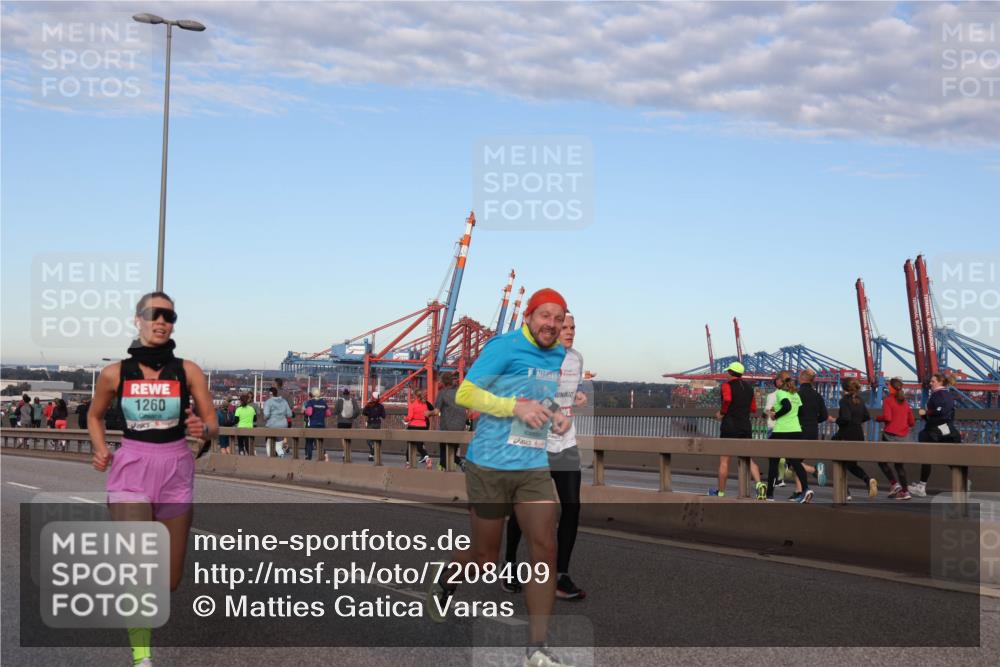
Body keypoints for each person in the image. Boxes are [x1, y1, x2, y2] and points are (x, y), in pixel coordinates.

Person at [427, 288, 573, 667]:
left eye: (559, 318)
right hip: (489, 464)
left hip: (532, 466)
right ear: (528, 316)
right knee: (484, 557)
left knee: (545, 549)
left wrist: (555, 413)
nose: (552, 325)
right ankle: (446, 582)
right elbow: (465, 393)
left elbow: (540, 395)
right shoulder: (503, 347)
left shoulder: (558, 354)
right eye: (545, 316)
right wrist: (514, 407)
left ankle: (536, 649)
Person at [87, 291, 217, 667]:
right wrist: (99, 448)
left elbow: (213, 425)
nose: (162, 322)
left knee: (168, 582)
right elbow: (95, 416)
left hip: (176, 470)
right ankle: (142, 656)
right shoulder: (116, 373)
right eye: (153, 314)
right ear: (138, 319)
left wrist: (202, 427)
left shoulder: (188, 371)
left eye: (169, 316)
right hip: (132, 469)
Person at [504, 311, 588, 601]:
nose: (570, 331)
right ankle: (510, 565)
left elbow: (567, 391)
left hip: (565, 442)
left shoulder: (576, 358)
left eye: (573, 326)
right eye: (564, 326)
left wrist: (576, 395)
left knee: (572, 507)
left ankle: (560, 575)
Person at [710, 361, 762, 499]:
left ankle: (720, 492)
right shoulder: (749, 388)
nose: (726, 374)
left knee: (724, 461)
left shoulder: (726, 386)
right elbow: (753, 409)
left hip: (730, 426)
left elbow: (727, 400)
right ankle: (759, 485)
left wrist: (721, 413)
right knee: (748, 459)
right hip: (745, 426)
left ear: (730, 372)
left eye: (727, 371)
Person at [765, 371, 813, 503]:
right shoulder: (796, 394)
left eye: (777, 380)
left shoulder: (781, 393)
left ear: (780, 381)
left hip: (781, 431)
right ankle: (806, 488)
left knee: (773, 463)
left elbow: (787, 406)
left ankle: (770, 495)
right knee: (796, 462)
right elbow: (801, 412)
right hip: (796, 431)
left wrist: (776, 415)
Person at [911, 373, 961, 497]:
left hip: (934, 430)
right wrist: (925, 415)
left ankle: (922, 487)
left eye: (933, 381)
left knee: (926, 456)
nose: (930, 383)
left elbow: (940, 411)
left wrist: (925, 412)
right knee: (948, 457)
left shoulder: (939, 394)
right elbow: (946, 413)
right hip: (945, 429)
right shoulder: (948, 395)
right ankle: (963, 480)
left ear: (939, 382)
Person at [833, 378, 878, 499]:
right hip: (858, 434)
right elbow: (867, 416)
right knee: (851, 464)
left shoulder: (844, 401)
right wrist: (856, 422)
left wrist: (835, 420)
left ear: (844, 388)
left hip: (846, 434)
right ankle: (868, 480)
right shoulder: (860, 400)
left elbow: (846, 418)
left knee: (838, 460)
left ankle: (845, 491)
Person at [876, 377, 914, 500]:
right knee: (899, 465)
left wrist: (878, 418)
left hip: (890, 436)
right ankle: (905, 492)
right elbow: (912, 422)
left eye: (888, 385)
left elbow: (887, 417)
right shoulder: (905, 402)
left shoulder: (888, 400)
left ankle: (894, 484)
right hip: (903, 437)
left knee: (881, 461)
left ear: (891, 387)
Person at [798, 369, 832, 487]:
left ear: (801, 378)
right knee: (797, 461)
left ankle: (814, 471)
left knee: (792, 462)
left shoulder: (797, 395)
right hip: (813, 431)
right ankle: (799, 491)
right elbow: (824, 416)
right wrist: (813, 421)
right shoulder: (818, 396)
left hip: (798, 431)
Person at [436, 372, 468, 470]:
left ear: (443, 382)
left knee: (443, 453)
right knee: (452, 450)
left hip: (447, 427)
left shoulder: (442, 393)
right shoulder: (460, 392)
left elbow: (436, 410)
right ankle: (457, 464)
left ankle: (452, 467)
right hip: (460, 426)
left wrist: (428, 413)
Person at [404, 388, 437, 469]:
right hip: (423, 426)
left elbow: (410, 417)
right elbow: (430, 413)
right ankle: (427, 458)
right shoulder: (425, 404)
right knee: (419, 445)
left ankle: (408, 463)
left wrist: (405, 418)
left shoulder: (413, 405)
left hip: (413, 426)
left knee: (410, 445)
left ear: (415, 396)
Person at [303, 387, 331, 461]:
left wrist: (305, 411)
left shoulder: (310, 402)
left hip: (312, 425)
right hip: (321, 424)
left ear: (312, 394)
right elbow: (328, 413)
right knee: (320, 441)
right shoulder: (323, 402)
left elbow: (309, 413)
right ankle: (324, 455)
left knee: (310, 441)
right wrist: (321, 414)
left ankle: (309, 457)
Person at [263, 386, 292, 457]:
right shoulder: (284, 401)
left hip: (272, 425)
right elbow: (289, 414)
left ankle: (271, 460)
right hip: (283, 425)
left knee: (269, 443)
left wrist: (265, 417)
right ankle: (281, 455)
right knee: (278, 445)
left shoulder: (268, 402)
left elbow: (266, 414)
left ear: (270, 394)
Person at [362, 391, 386, 462]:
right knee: (377, 438)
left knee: (369, 439)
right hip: (377, 423)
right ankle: (371, 454)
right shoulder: (381, 406)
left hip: (370, 423)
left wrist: (366, 421)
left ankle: (372, 450)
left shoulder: (369, 405)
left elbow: (364, 413)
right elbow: (384, 416)